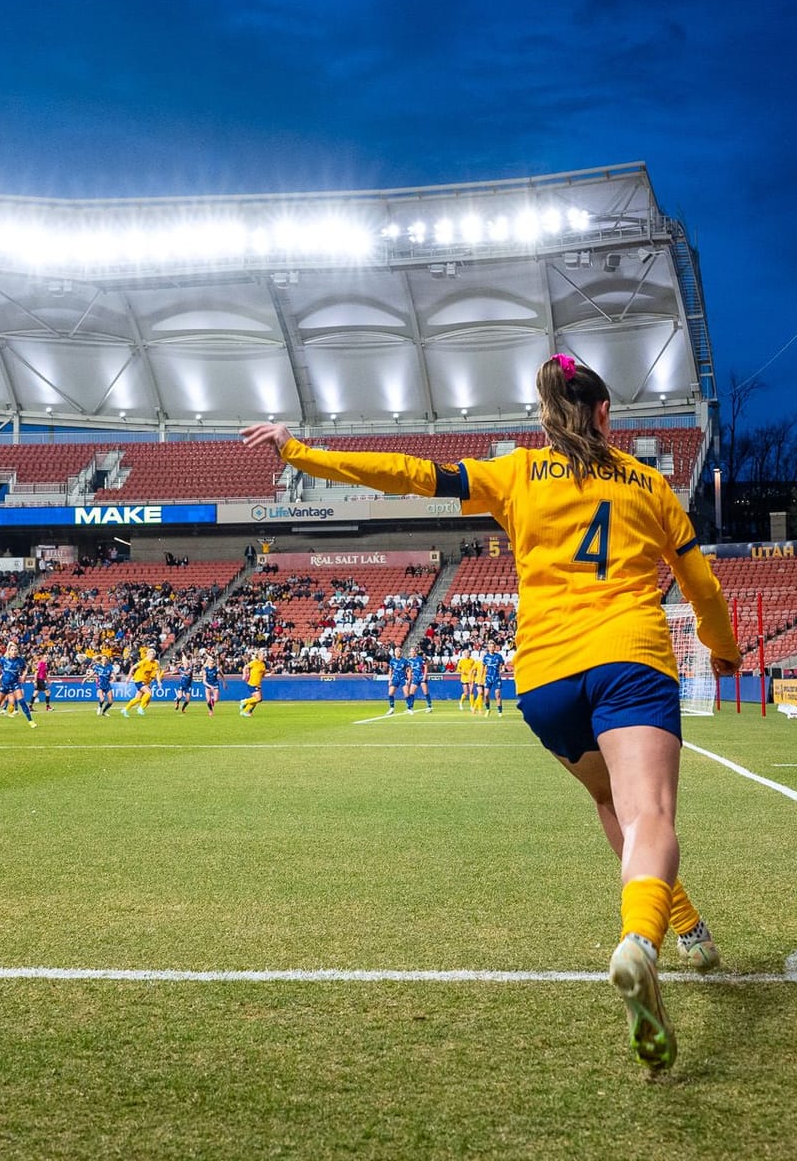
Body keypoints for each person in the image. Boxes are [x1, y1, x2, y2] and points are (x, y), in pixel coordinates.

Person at [240, 352, 742, 1073]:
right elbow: (702, 586)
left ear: (545, 419)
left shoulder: (513, 475)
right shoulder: (650, 483)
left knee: (610, 801)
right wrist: (722, 653)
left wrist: (302, 452)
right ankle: (641, 943)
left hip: (544, 681)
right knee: (651, 816)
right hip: (629, 659)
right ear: (606, 416)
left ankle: (687, 926)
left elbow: (408, 474)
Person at [0, 642, 36, 729]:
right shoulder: (3, 659)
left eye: (15, 650)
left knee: (22, 702)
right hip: (4, 684)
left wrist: (24, 675)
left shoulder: (20, 660)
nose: (14, 651)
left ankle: (31, 721)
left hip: (15, 684)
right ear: (9, 651)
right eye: (12, 650)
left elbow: (26, 668)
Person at [124, 646, 161, 716]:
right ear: (147, 654)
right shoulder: (144, 661)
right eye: (150, 654)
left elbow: (157, 674)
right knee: (149, 693)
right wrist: (128, 678)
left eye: (153, 655)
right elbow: (132, 667)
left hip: (145, 682)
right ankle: (140, 708)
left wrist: (159, 682)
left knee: (138, 698)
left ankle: (125, 709)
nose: (152, 656)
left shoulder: (154, 664)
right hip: (139, 679)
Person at [480, 640, 507, 716]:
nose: (491, 648)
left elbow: (502, 664)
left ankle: (500, 711)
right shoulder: (486, 657)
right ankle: (488, 709)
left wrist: (502, 669)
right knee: (486, 695)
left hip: (496, 677)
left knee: (497, 694)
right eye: (490, 646)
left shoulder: (498, 656)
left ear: (495, 647)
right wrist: (481, 678)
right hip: (488, 677)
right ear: (488, 648)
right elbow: (483, 667)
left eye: (493, 646)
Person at [238, 651, 266, 716]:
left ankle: (244, 711)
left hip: (258, 684)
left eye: (264, 655)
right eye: (262, 655)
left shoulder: (263, 664)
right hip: (252, 683)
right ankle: (244, 702)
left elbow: (263, 675)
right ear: (258, 656)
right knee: (258, 698)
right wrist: (244, 675)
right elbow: (245, 667)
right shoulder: (255, 662)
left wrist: (270, 674)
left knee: (257, 700)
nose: (264, 656)